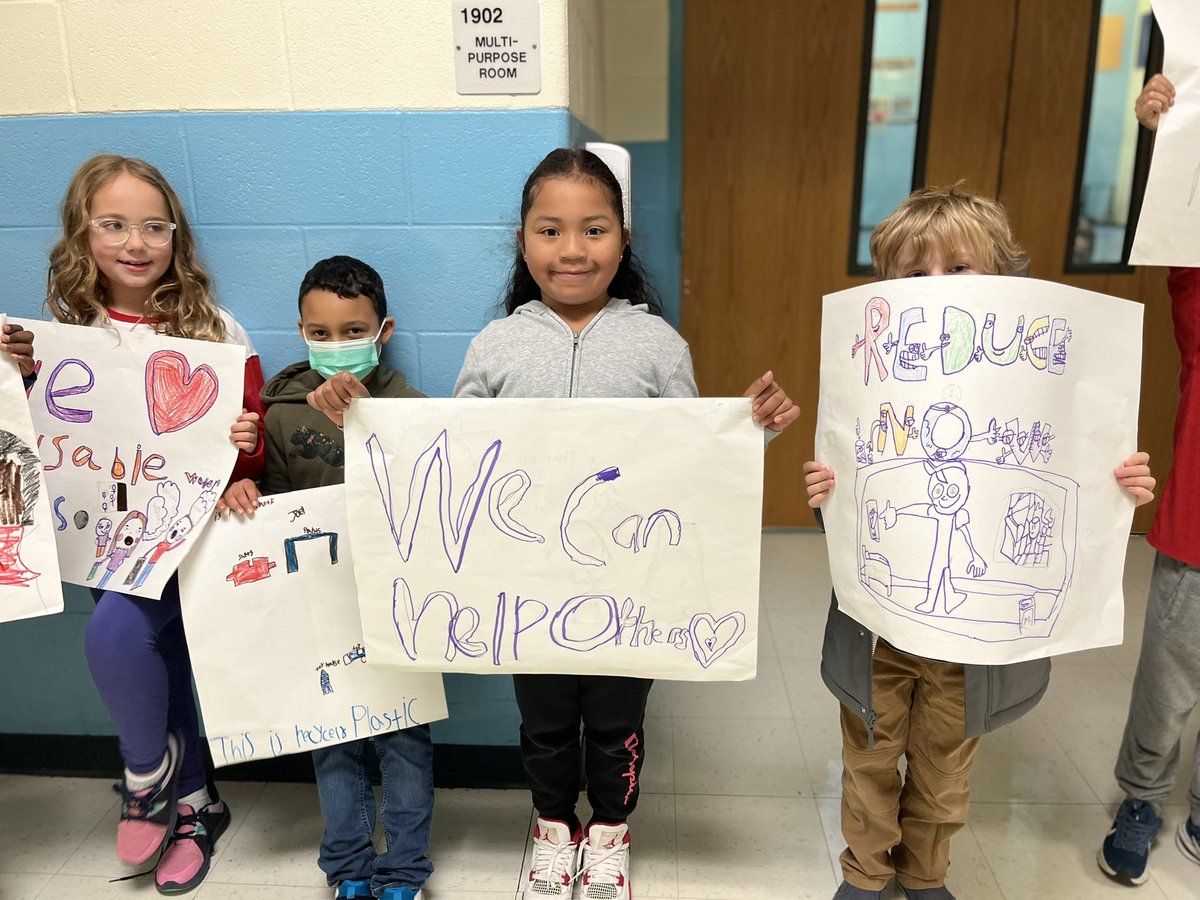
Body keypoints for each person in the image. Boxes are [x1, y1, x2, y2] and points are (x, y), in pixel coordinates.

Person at [307, 147, 800, 900]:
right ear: (524, 241)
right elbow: (454, 461)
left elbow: (692, 463)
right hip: (524, 586)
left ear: (623, 240)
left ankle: (608, 832)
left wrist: (751, 430)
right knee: (542, 723)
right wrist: (358, 422)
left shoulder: (658, 345)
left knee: (614, 722)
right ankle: (551, 830)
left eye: (594, 229)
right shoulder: (497, 345)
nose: (572, 249)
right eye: (550, 230)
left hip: (630, 586)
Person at [802, 184, 1156, 900]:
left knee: (944, 769)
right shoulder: (876, 380)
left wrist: (1120, 487)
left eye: (958, 268)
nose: (936, 287)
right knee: (870, 759)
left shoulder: (1042, 385)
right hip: (878, 632)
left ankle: (925, 874)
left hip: (974, 649)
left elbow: (1076, 474)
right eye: (914, 274)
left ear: (1003, 279)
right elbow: (856, 511)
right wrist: (829, 500)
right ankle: (865, 875)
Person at [44, 154, 266, 895]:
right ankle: (196, 805)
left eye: (153, 226)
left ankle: (147, 779)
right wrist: (19, 377)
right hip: (106, 534)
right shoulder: (66, 331)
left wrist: (243, 454)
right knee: (150, 657)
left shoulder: (214, 327)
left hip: (193, 530)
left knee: (121, 635)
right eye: (113, 225)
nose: (135, 243)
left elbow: (252, 436)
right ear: (82, 233)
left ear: (177, 236)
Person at [223, 255, 433, 900]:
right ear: (300, 331)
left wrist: (369, 424)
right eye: (320, 333)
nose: (336, 346)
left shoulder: (411, 407)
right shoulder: (281, 408)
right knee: (333, 741)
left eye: (353, 331)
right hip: (317, 602)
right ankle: (347, 868)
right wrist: (245, 488)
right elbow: (278, 502)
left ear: (384, 330)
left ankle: (404, 871)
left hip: (398, 603)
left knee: (404, 737)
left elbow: (432, 495)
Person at [1097, 72, 1200, 887]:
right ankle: (1142, 797)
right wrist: (1166, 139)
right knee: (1171, 675)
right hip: (1197, 524)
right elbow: (1181, 228)